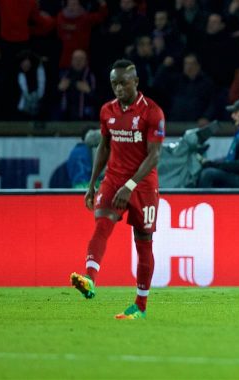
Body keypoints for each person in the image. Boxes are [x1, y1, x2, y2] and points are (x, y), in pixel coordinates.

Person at [70, 59, 165, 320]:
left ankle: (140, 306)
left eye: (123, 82)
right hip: (112, 179)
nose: (118, 88)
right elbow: (103, 147)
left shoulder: (152, 113)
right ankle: (89, 279)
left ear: (135, 81)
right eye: (114, 83)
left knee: (144, 243)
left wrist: (130, 185)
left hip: (143, 186)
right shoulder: (107, 111)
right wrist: (91, 184)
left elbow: (154, 156)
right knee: (102, 222)